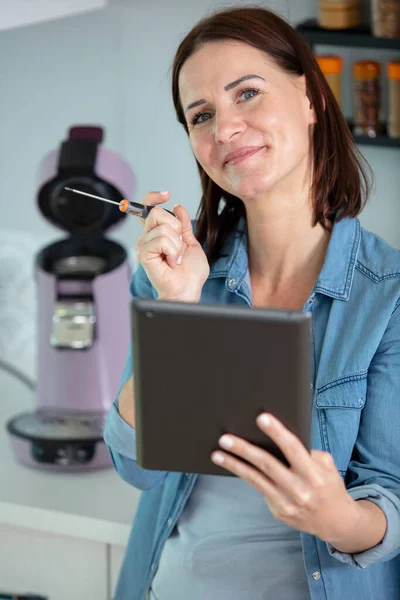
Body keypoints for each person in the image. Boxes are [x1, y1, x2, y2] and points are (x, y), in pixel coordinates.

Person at [104, 6, 400, 600]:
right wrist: (179, 307)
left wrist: (334, 516)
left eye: (247, 93)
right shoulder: (175, 277)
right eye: (202, 115)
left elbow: (388, 498)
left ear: (311, 95)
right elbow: (138, 467)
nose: (225, 129)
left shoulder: (387, 296)